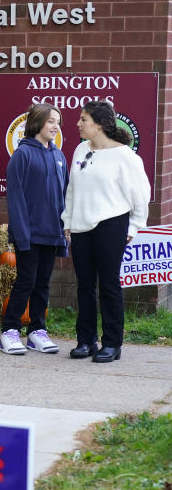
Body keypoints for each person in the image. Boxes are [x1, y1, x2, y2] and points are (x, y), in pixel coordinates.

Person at [62, 101, 151, 363]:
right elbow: (72, 189)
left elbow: (141, 195)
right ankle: (86, 340)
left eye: (83, 119)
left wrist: (134, 225)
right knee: (84, 285)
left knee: (109, 284)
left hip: (112, 224)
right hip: (80, 226)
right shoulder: (80, 149)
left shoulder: (125, 156)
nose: (78, 124)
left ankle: (112, 343)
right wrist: (67, 221)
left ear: (99, 124)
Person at [0, 104, 69, 356]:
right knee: (26, 281)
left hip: (52, 232)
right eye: (50, 121)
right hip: (28, 233)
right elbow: (16, 199)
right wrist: (21, 234)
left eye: (57, 122)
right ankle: (9, 330)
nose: (55, 126)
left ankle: (37, 331)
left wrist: (64, 229)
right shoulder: (22, 155)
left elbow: (64, 196)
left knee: (43, 283)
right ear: (37, 122)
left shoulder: (59, 156)